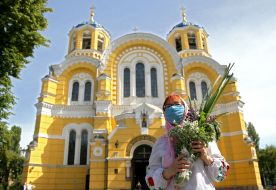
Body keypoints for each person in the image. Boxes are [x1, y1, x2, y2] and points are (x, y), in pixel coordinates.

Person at [145, 94, 229, 190]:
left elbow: (221, 175)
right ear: (164, 112)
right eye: (168, 106)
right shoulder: (161, 143)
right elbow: (151, 182)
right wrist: (170, 170)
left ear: (185, 108)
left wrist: (206, 157)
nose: (172, 108)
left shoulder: (202, 136)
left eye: (176, 104)